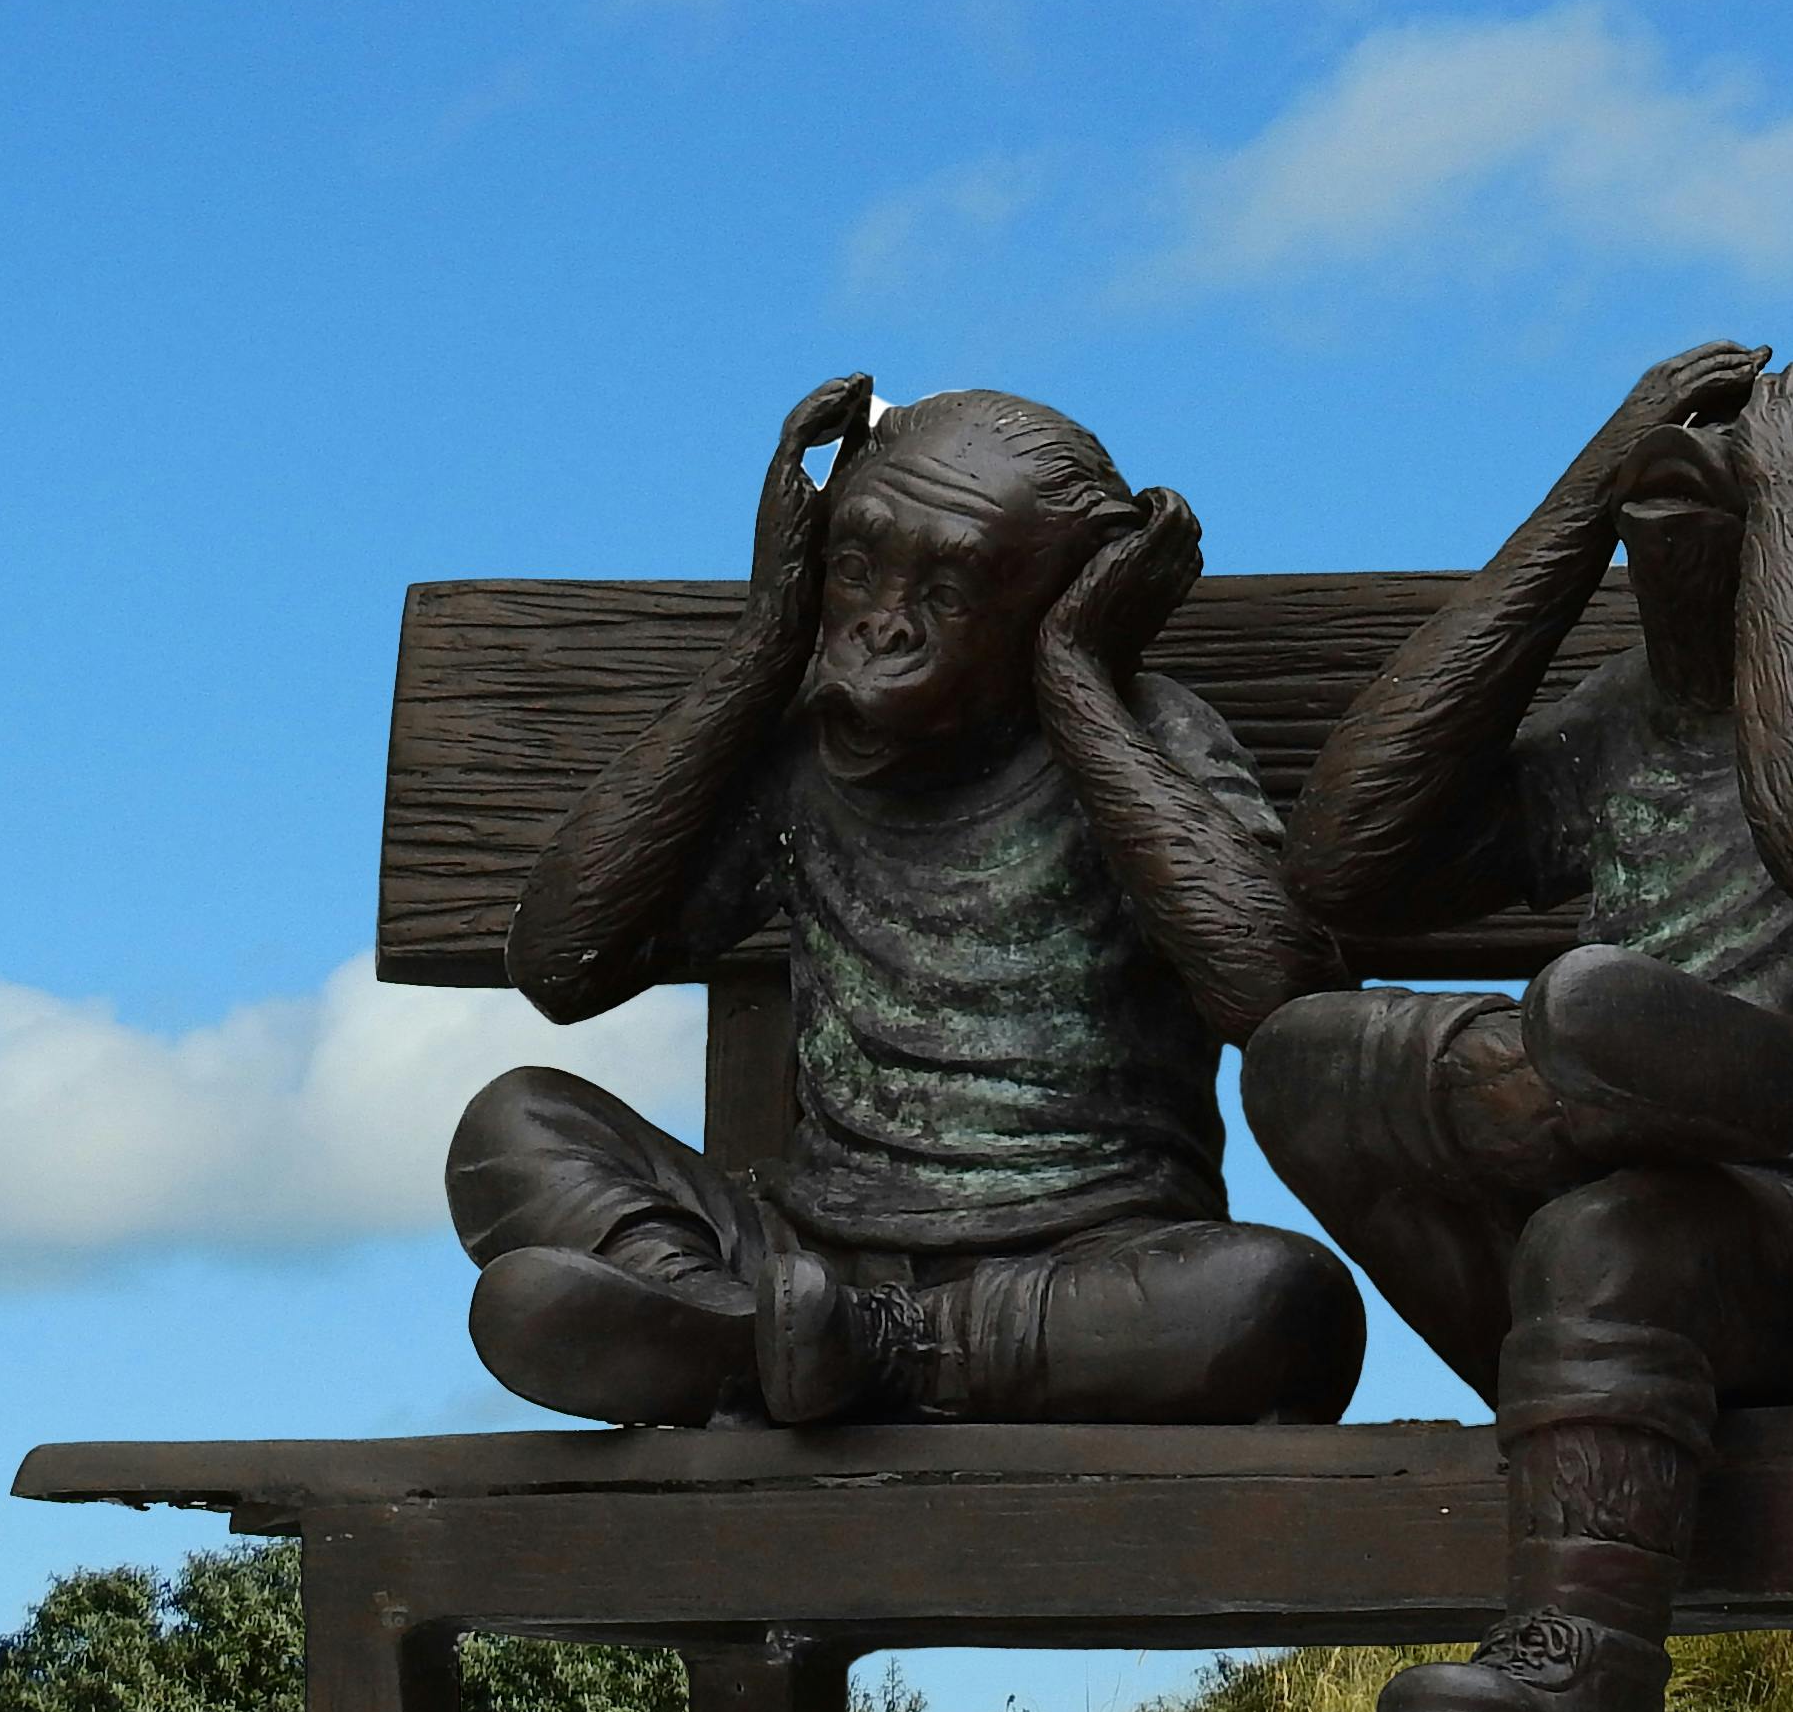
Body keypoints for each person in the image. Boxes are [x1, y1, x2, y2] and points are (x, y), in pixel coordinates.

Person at [1247, 347, 1793, 1712]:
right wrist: (1578, 504)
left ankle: (1584, 1680)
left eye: (1788, 436)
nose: (1736, 450)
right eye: (1710, 441)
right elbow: (1344, 864)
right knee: (1308, 1060)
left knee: (1621, 1223)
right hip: (1604, 1250)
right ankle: (1632, 1083)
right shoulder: (1620, 713)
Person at [445, 374, 1364, 1427]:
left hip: (1084, 1268)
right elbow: (564, 965)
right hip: (807, 1255)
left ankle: (848, 1354)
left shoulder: (1146, 736)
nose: (883, 627)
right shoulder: (802, 747)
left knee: (1281, 1301)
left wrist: (1075, 683)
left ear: (1064, 602)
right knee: (513, 1122)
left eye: (949, 594)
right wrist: (762, 649)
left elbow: (1282, 1000)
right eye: (855, 568)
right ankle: (728, 1325)